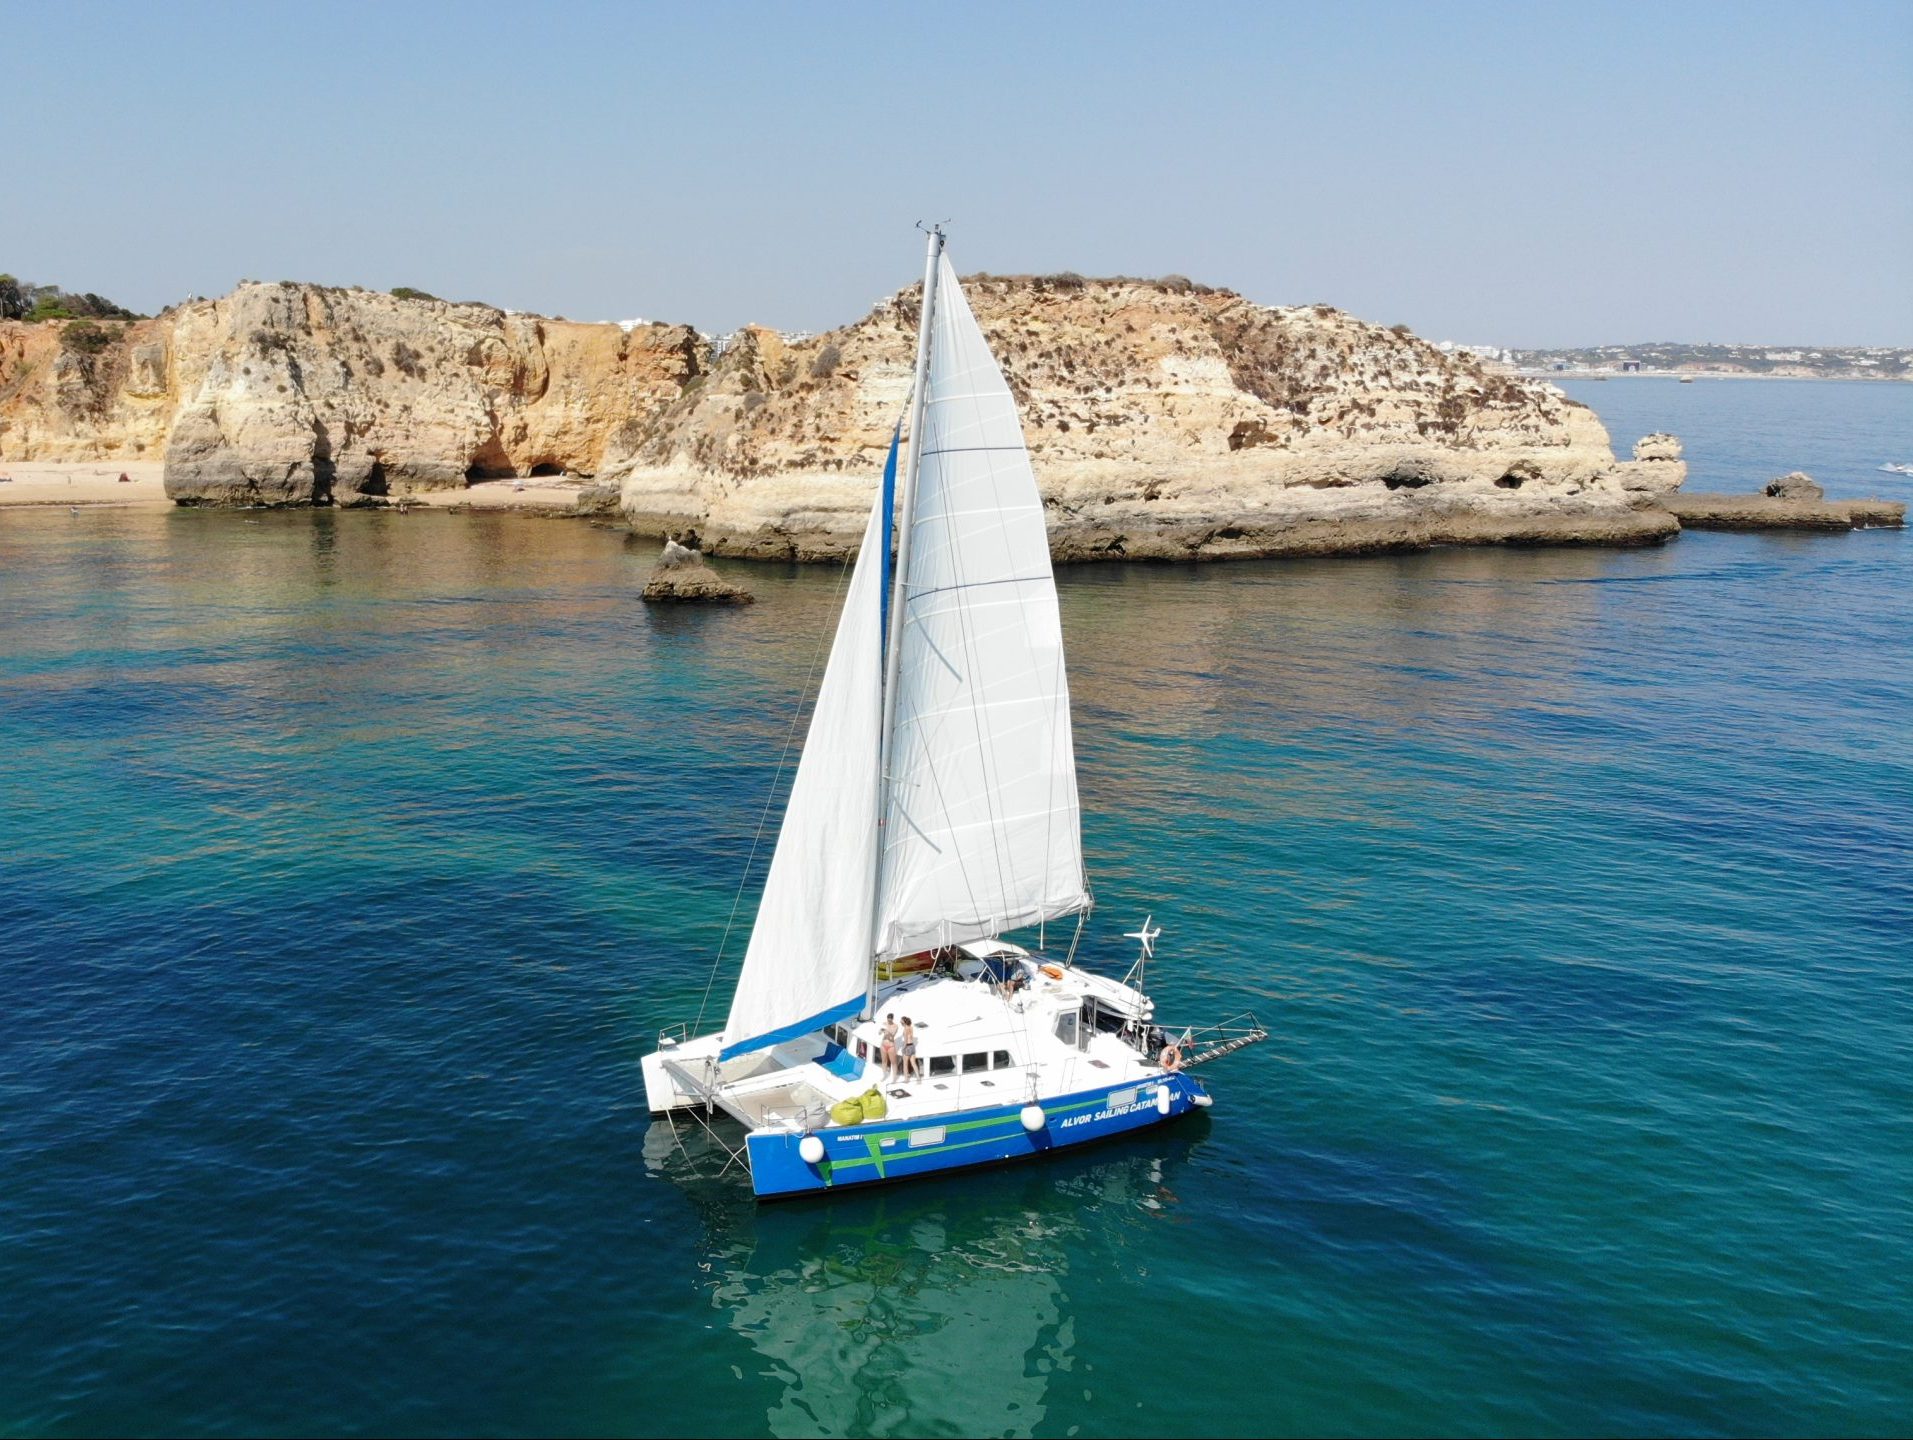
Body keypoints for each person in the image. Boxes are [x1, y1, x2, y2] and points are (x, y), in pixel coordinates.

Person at [879, 1012, 899, 1082]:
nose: (889, 1021)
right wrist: (881, 1030)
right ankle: (884, 1075)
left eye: (890, 1020)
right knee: (884, 1061)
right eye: (888, 1020)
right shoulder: (885, 1024)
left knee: (893, 1062)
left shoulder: (895, 1026)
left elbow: (892, 1036)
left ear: (892, 1019)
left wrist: (886, 1030)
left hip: (891, 1046)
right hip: (883, 1045)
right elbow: (879, 1033)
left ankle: (894, 1078)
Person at [899, 1017, 919, 1083]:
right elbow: (911, 1037)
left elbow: (905, 1041)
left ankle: (906, 1079)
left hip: (907, 1046)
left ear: (903, 1022)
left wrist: (903, 1048)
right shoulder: (911, 1027)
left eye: (901, 1021)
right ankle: (918, 1078)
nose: (900, 1022)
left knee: (905, 1064)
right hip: (912, 1046)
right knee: (913, 1063)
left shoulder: (905, 1029)